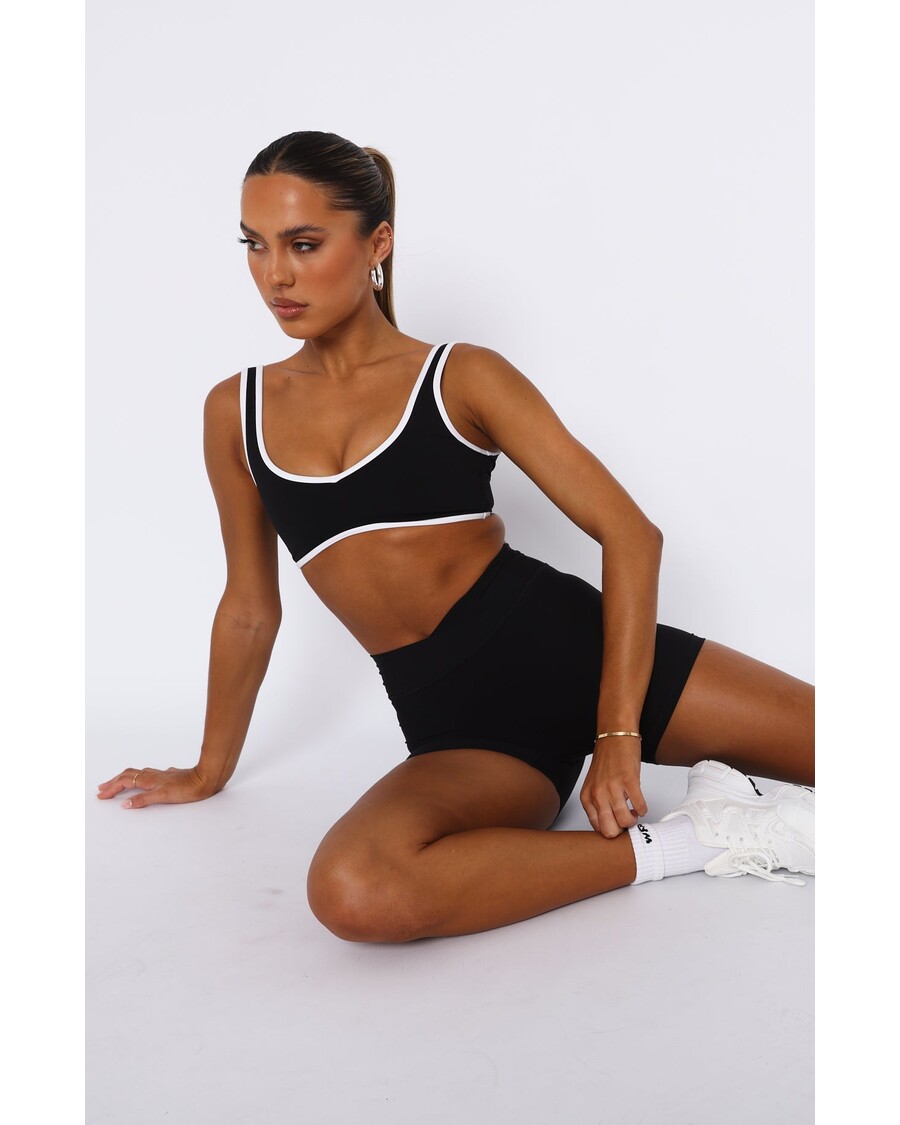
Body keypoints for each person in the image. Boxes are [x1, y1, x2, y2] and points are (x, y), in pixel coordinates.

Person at [97, 130, 815, 943]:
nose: (276, 275)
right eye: (254, 246)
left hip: (582, 652)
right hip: (466, 733)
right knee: (355, 888)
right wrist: (208, 768)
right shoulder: (237, 411)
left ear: (377, 243)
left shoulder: (460, 377)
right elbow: (249, 608)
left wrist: (619, 735)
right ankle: (701, 838)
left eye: (304, 243)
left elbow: (630, 534)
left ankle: (710, 806)